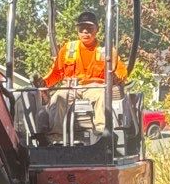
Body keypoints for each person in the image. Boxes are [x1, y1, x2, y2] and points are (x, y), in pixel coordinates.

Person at [41, 10, 127, 140]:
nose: (85, 32)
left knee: (102, 96)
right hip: (71, 87)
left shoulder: (106, 51)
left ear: (96, 30)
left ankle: (102, 135)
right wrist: (44, 83)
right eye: (82, 29)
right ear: (77, 30)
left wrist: (117, 77)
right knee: (58, 97)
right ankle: (56, 137)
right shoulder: (68, 48)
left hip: (94, 87)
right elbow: (57, 72)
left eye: (89, 28)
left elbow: (121, 72)